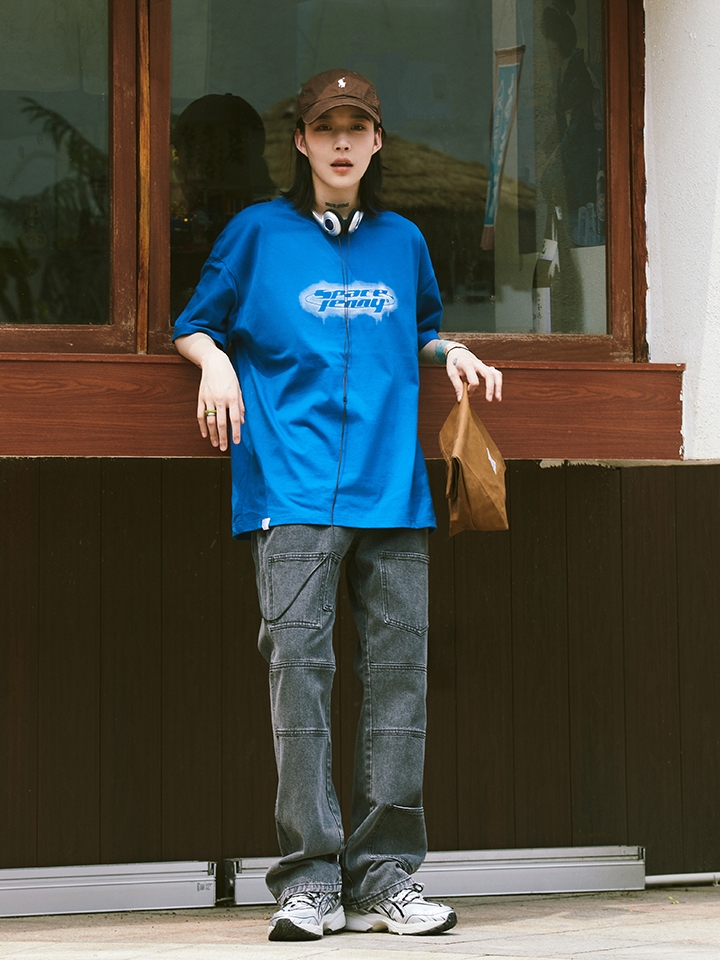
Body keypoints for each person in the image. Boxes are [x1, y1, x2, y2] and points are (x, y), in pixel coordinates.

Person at [173, 68, 502, 942]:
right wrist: (214, 362)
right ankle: (311, 880)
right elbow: (194, 321)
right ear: (302, 142)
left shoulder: (404, 240)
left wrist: (451, 352)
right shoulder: (256, 233)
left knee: (398, 685)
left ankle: (387, 875)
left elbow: (416, 327)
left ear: (378, 141)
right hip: (291, 490)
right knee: (301, 682)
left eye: (358, 127)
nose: (343, 142)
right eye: (327, 129)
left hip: (393, 492)